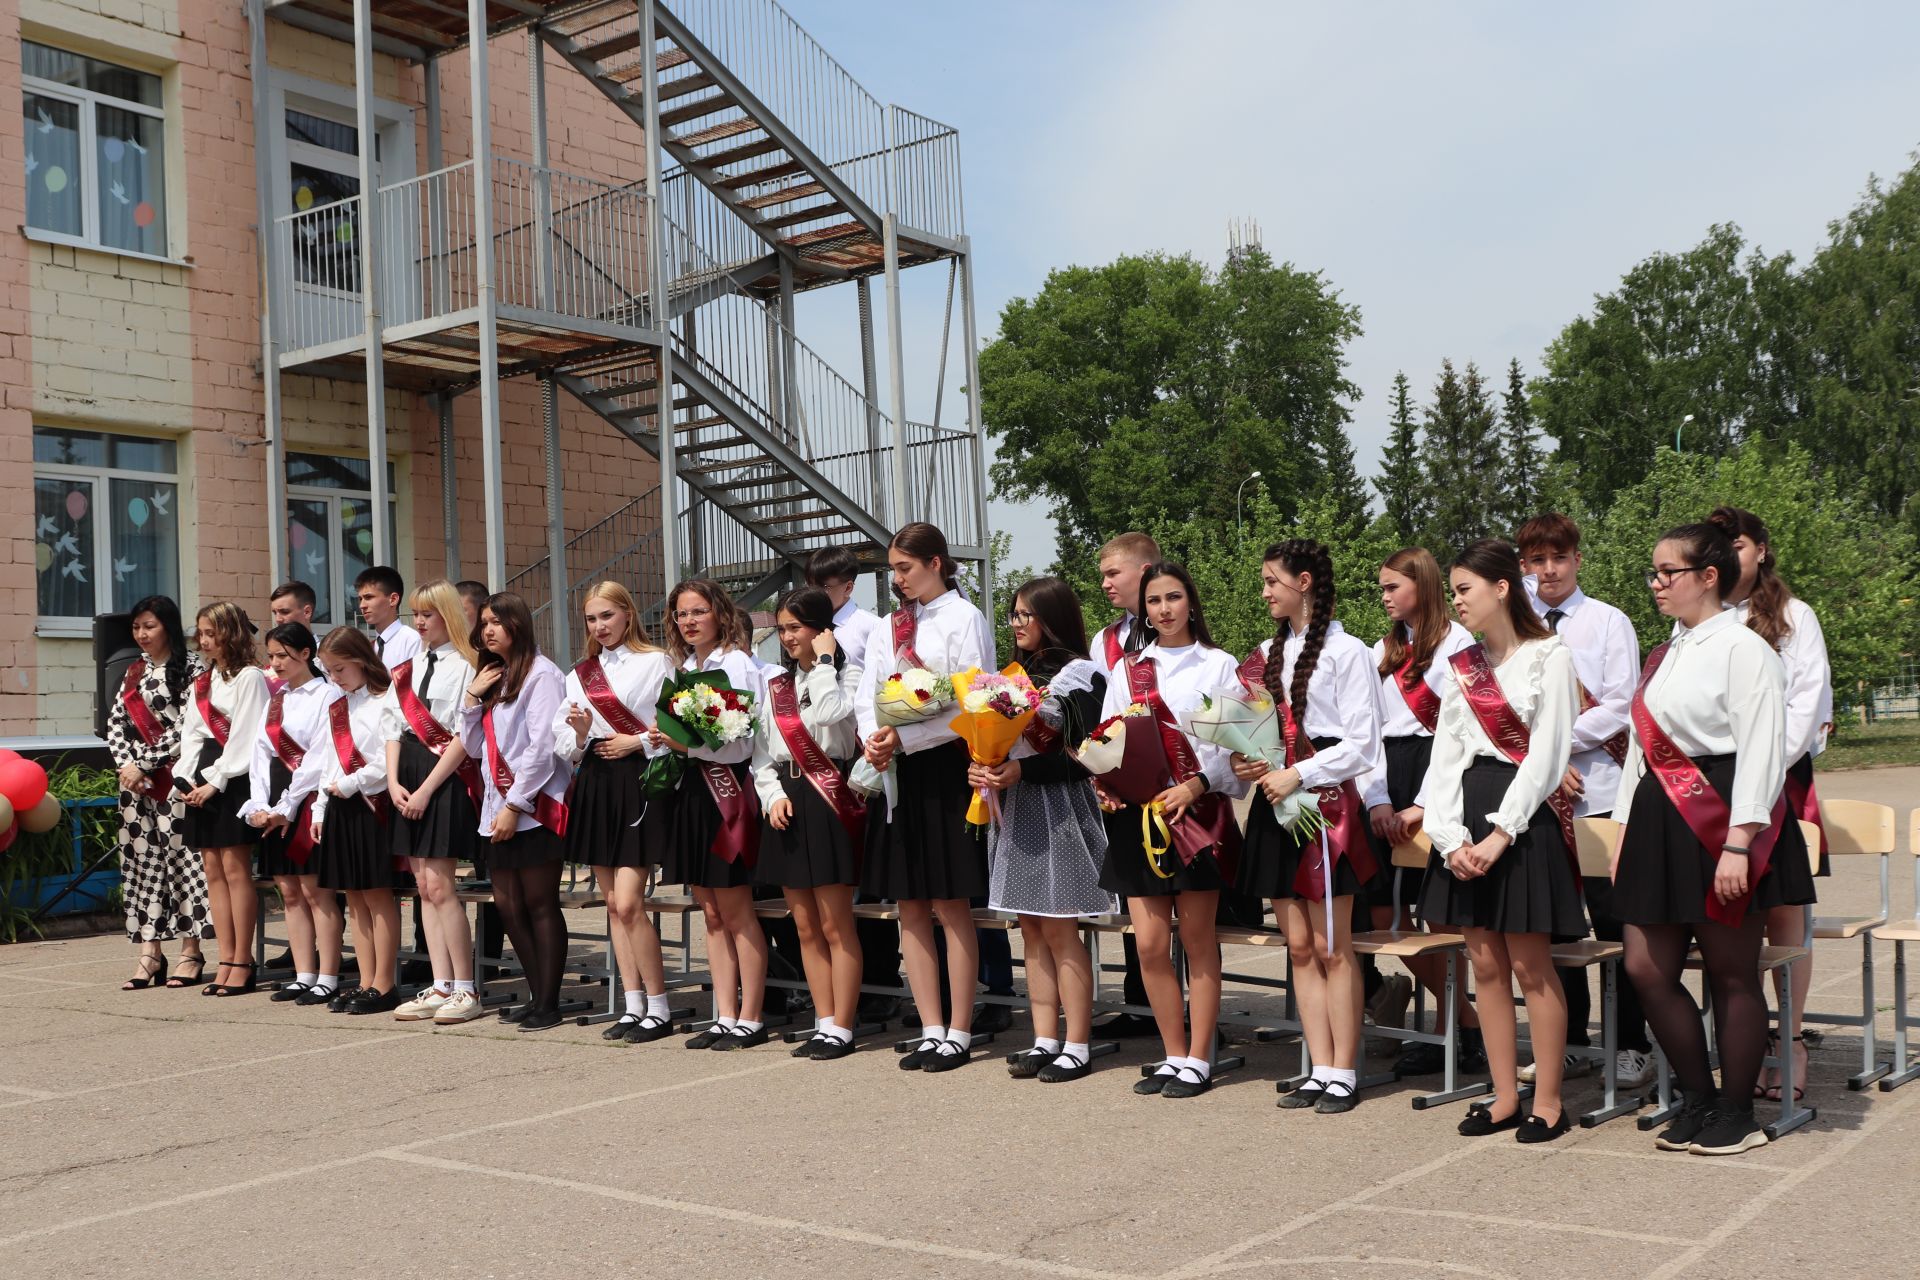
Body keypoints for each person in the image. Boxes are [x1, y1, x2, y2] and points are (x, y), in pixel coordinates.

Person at [1613, 522, 1815, 1156]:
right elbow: (1641, 750)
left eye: (1666, 572)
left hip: (1722, 813)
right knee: (1645, 967)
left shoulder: (1745, 648)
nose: (1656, 584)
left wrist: (1739, 841)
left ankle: (1736, 1112)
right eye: (1654, 572)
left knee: (1731, 973)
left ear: (1708, 577)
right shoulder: (1667, 651)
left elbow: (1763, 748)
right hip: (1657, 818)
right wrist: (1623, 825)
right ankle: (1698, 1097)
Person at [1419, 539, 1587, 1144]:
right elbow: (1445, 756)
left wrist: (1501, 833)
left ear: (1501, 588)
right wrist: (1449, 838)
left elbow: (1547, 754)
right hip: (1468, 814)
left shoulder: (1551, 656)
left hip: (1522, 816)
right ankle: (1503, 1095)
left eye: (1464, 589)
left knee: (1530, 965)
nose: (1457, 601)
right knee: (1484, 965)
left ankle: (1547, 1100)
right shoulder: (1462, 665)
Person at [1234, 541, 1383, 1114]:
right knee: (1297, 946)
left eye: (1272, 581)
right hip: (1276, 805)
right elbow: (1254, 731)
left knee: (1332, 944)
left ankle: (1344, 1069)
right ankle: (1318, 1066)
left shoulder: (1348, 653)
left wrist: (1298, 772)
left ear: (1303, 582)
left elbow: (1363, 744)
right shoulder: (1267, 653)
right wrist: (1249, 761)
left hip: (1325, 809)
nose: (1266, 591)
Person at [1096, 562, 1246, 1099]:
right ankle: (1173, 1053)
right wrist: (1106, 783)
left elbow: (1239, 746)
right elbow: (1109, 739)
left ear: (1190, 601)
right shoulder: (1129, 670)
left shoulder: (1220, 664)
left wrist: (1198, 785)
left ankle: (1201, 1058)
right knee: (1152, 946)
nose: (1164, 609)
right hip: (1140, 818)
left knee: (1198, 940)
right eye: (1154, 600)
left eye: (1174, 597)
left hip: (1197, 814)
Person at [1517, 513, 1651, 1089]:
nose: (1549, 571)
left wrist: (1557, 745)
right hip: (1540, 796)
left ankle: (1631, 1045)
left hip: (1598, 789)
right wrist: (1544, 760)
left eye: (1559, 558)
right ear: (1523, 565)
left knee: (1616, 923)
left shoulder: (1606, 622)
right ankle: (1570, 1042)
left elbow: (1621, 704)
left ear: (1577, 560)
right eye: (1537, 560)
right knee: (1557, 926)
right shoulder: (1517, 625)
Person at [857, 522, 995, 1073]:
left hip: (944, 765)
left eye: (905, 567)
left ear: (937, 562)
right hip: (896, 769)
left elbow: (972, 700)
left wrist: (906, 737)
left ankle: (960, 1029)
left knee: (949, 901)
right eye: (892, 569)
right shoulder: (889, 625)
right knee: (909, 902)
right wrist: (875, 737)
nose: (898, 578)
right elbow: (871, 691)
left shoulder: (965, 617)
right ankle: (929, 1025)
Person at [1710, 505, 1832, 1102]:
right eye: (1719, 544)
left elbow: (1807, 702)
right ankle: (1748, 1040)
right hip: (1711, 786)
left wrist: (1759, 771)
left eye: (1737, 542)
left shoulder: (1792, 615)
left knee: (1785, 911)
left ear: (1760, 548)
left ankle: (1791, 1039)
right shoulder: (1700, 619)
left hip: (1777, 778)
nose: (1729, 553)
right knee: (1734, 912)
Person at [978, 577, 1114, 1084]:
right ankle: (1043, 1038)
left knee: (1059, 927)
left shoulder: (1081, 675)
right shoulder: (1010, 676)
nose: (1016, 625)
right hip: (1015, 807)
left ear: (1052, 617)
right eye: (1012, 615)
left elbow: (1089, 755)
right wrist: (984, 766)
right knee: (1030, 928)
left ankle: (1077, 1043)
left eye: (1024, 615)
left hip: (1060, 806)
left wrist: (1025, 771)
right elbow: (993, 741)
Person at [1360, 547, 1483, 1077]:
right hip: (1389, 773)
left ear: (1423, 584)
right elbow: (1365, 731)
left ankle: (1450, 1030)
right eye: (1382, 588)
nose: (1384, 596)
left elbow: (1461, 730)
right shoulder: (1381, 649)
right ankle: (1468, 1021)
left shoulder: (1459, 642)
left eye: (1393, 587)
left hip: (1441, 773)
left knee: (1440, 915)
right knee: (1383, 915)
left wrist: (1423, 804)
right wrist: (1381, 799)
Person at [557, 581, 678, 1044]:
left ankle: (660, 1006)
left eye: (607, 615)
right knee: (612, 905)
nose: (599, 626)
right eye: (591, 619)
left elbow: (673, 724)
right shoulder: (580, 673)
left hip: (638, 781)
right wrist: (583, 733)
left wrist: (639, 740)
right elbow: (561, 740)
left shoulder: (657, 662)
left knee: (629, 903)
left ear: (628, 613)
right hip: (595, 781)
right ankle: (633, 1005)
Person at [652, 579, 771, 1050]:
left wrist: (688, 739)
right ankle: (724, 1014)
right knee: (712, 913)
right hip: (693, 793)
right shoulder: (684, 668)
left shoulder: (737, 663)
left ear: (719, 614)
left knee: (738, 911)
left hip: (728, 791)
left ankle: (752, 1016)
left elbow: (743, 736)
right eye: (682, 614)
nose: (689, 621)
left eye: (698, 612)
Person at [754, 587, 866, 1060]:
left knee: (836, 923)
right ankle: (822, 1020)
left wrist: (823, 664)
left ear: (822, 630)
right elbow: (762, 751)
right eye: (781, 629)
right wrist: (772, 795)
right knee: (803, 925)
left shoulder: (850, 673)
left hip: (830, 797)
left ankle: (842, 1025)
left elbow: (831, 713)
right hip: (789, 800)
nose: (786, 637)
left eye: (795, 627)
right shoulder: (776, 686)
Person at [459, 593, 573, 1031]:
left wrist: (515, 804)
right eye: (484, 623)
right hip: (498, 806)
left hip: (535, 805)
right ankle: (535, 993)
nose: (487, 630)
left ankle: (549, 1001)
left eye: (496, 622)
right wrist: (472, 699)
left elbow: (544, 748)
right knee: (507, 907)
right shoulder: (495, 676)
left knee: (539, 903)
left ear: (518, 625)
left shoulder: (542, 675)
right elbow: (472, 746)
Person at [387, 579, 485, 1025]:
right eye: (416, 615)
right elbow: (391, 727)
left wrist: (427, 788)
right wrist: (392, 782)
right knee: (422, 886)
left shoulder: (468, 664)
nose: (421, 623)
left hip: (443, 777)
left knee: (443, 885)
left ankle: (466, 988)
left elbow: (466, 734)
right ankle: (440, 982)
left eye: (429, 614)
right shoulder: (405, 668)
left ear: (449, 614)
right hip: (407, 772)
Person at [807, 548, 896, 1026]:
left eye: (829, 585)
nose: (822, 593)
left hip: (867, 759)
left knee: (868, 878)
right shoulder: (805, 626)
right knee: (830, 886)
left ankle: (881, 982)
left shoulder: (868, 627)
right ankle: (831, 989)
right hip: (820, 760)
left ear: (848, 586)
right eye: (814, 584)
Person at [107, 596, 212, 990]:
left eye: (149, 626)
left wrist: (146, 764)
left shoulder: (194, 669)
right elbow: (115, 723)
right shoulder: (133, 672)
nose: (142, 634)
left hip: (177, 780)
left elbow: (188, 725)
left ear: (167, 626)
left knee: (185, 867)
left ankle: (191, 952)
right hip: (137, 787)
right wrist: (128, 768)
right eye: (137, 628)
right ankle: (150, 953)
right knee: (143, 867)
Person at [243, 622, 346, 1006]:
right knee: (288, 890)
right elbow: (259, 754)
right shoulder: (276, 699)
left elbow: (320, 755)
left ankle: (329, 976)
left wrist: (287, 806)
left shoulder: (327, 695)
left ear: (306, 654)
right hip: (276, 800)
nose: (275, 663)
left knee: (316, 890)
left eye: (283, 655)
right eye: (270, 656)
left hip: (308, 799)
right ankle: (304, 974)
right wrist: (258, 804)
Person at [1089, 531, 1163, 1037]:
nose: (1106, 584)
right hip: (1126, 779)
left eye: (1114, 573)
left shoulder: (1174, 623)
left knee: (1179, 906)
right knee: (1135, 900)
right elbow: (1104, 717)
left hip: (1173, 776)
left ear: (1145, 569)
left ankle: (1188, 1013)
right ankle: (1141, 1004)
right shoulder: (1105, 639)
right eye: (1102, 576)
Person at [176, 602, 269, 997]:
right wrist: (183, 777)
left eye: (211, 632)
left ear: (231, 633)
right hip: (205, 776)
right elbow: (192, 734)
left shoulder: (251, 677)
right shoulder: (203, 681)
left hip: (235, 777)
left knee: (235, 870)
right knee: (211, 870)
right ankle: (225, 956)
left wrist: (215, 782)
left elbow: (247, 737)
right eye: (200, 633)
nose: (204, 640)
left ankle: (242, 961)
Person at [312, 627, 404, 1015]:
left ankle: (385, 983)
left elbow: (388, 760)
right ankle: (365, 980)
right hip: (341, 805)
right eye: (329, 671)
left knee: (378, 896)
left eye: (340, 668)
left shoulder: (386, 700)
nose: (335, 678)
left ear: (362, 659)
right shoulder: (338, 707)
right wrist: (319, 808)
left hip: (372, 804)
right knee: (354, 898)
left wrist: (351, 783)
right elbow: (327, 760)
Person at [355, 566, 423, 669]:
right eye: (360, 599)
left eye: (369, 597)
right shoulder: (369, 647)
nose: (362, 605)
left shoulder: (411, 641)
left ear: (393, 599)